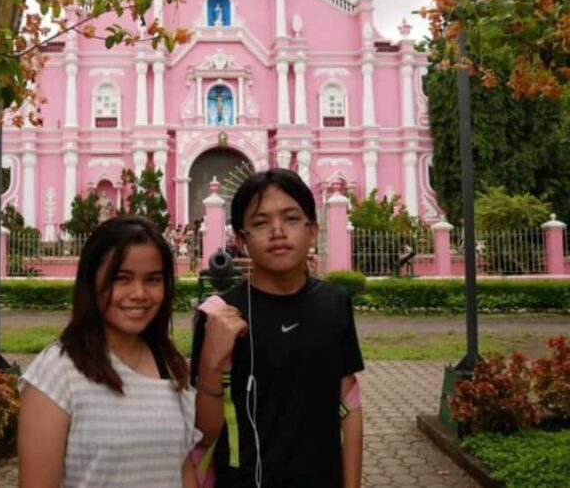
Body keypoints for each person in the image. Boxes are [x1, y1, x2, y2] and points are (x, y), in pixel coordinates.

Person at [191, 168, 364, 488]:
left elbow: (349, 406)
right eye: (260, 222)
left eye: (291, 218)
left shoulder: (334, 303)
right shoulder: (219, 315)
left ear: (312, 231)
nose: (277, 231)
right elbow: (204, 432)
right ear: (241, 241)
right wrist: (211, 363)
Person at [18, 215, 200, 487]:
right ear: (91, 282)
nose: (139, 293)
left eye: (152, 280)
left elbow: (182, 472)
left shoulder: (169, 365)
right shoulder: (57, 374)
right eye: (121, 278)